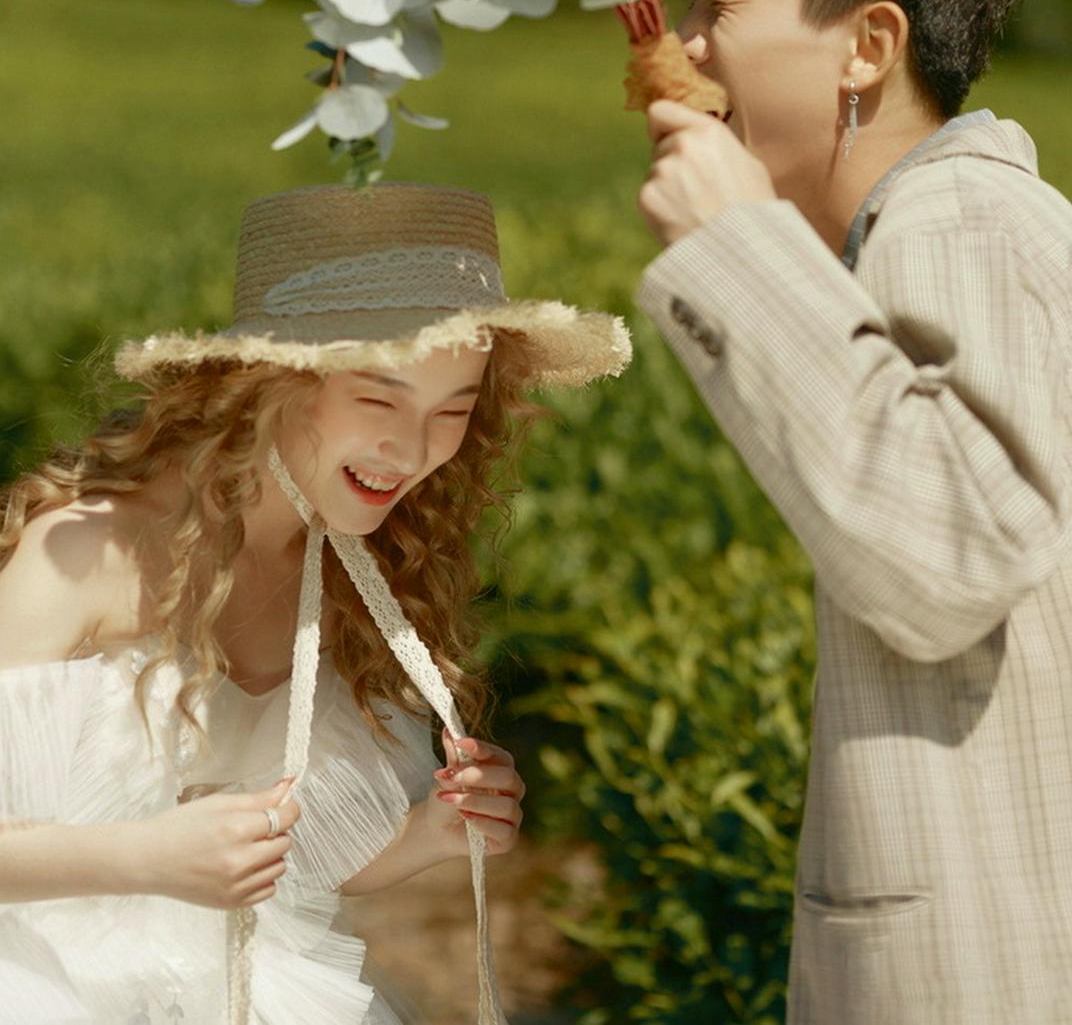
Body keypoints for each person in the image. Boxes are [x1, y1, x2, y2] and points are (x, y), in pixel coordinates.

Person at [636, 0, 1072, 1025]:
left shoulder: (959, 220)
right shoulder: (947, 225)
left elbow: (953, 552)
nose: (683, 42)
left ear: (867, 47)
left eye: (721, 0)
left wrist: (739, 251)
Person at [0, 181, 630, 1025]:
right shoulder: (87, 554)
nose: (413, 449)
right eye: (378, 398)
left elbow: (287, 869)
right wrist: (144, 858)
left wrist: (431, 835)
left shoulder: (352, 573)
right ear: (269, 383)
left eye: (453, 410)